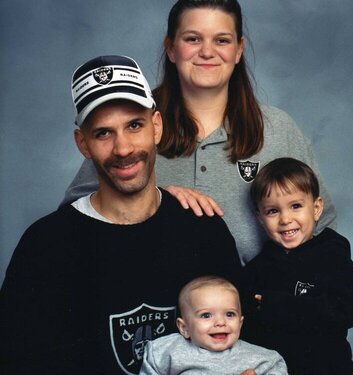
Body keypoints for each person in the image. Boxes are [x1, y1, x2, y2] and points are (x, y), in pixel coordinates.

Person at [0, 55, 245, 375]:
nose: (123, 148)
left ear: (156, 126)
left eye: (134, 125)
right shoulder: (45, 245)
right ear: (83, 144)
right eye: (103, 133)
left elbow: (246, 347)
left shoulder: (204, 229)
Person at [61, 0, 336, 266]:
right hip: (152, 308)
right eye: (193, 39)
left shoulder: (278, 129)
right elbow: (74, 218)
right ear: (171, 48)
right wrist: (151, 197)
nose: (207, 52)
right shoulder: (133, 125)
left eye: (222, 40)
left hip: (253, 309)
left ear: (239, 50)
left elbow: (322, 229)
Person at [244, 157, 353, 375]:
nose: (285, 219)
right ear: (260, 218)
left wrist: (277, 306)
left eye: (296, 206)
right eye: (273, 211)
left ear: (317, 208)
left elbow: (351, 309)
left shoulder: (332, 257)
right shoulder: (257, 270)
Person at [139, 276, 288, 375]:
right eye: (206, 315)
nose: (220, 322)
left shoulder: (262, 358)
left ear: (240, 323)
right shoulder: (167, 351)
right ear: (184, 328)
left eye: (229, 314)